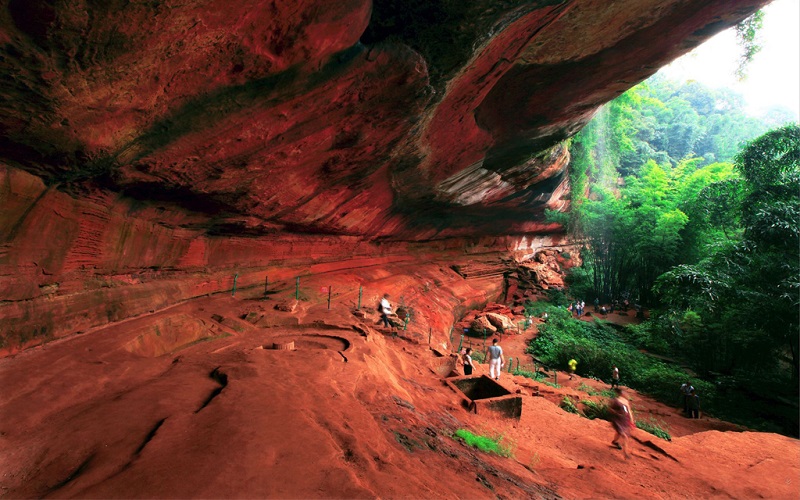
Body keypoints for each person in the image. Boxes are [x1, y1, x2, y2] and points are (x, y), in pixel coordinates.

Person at [609, 388, 635, 459]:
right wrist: (616, 413)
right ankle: (625, 453)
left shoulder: (626, 401)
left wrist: (631, 420)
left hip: (624, 420)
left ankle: (614, 441)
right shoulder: (616, 401)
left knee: (619, 433)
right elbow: (610, 409)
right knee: (625, 436)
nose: (626, 394)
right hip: (617, 420)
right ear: (621, 393)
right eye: (625, 393)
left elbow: (629, 411)